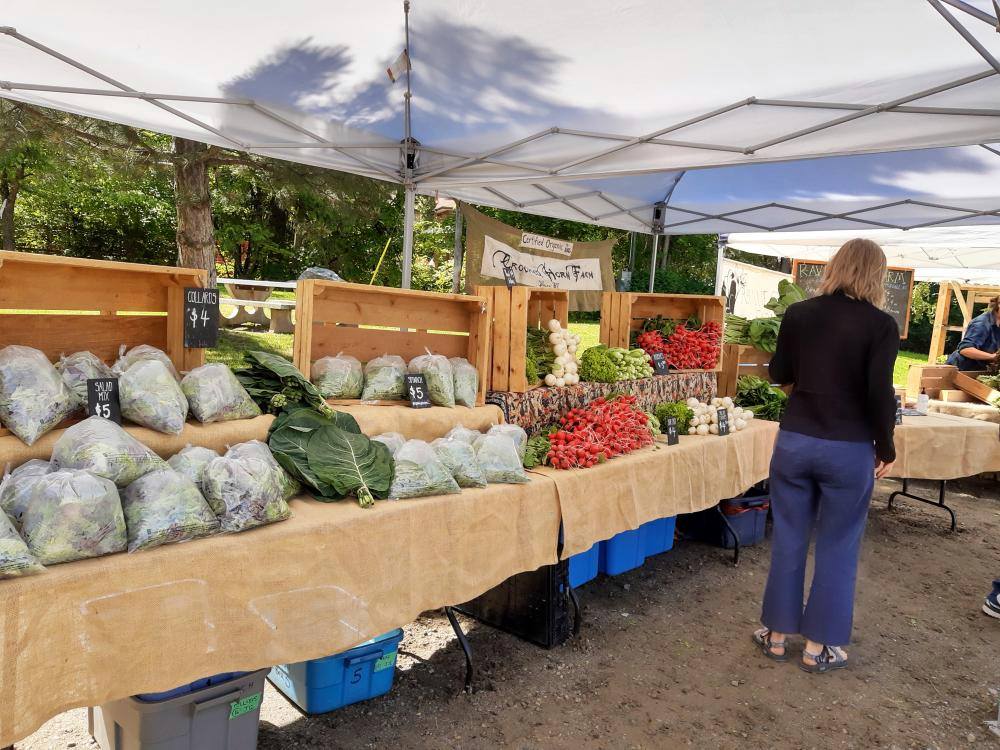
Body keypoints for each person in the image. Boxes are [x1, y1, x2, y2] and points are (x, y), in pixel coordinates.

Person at [752, 238, 898, 674]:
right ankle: (818, 648)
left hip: (796, 441)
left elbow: (779, 373)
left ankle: (776, 637)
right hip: (848, 449)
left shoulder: (799, 314)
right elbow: (879, 394)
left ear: (834, 267)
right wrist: (886, 447)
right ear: (878, 276)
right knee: (838, 545)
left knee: (789, 538)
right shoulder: (881, 325)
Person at [946, 296, 1000, 371]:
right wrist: (993, 356)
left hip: (978, 370)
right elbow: (965, 349)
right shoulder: (981, 323)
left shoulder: (997, 324)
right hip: (960, 369)